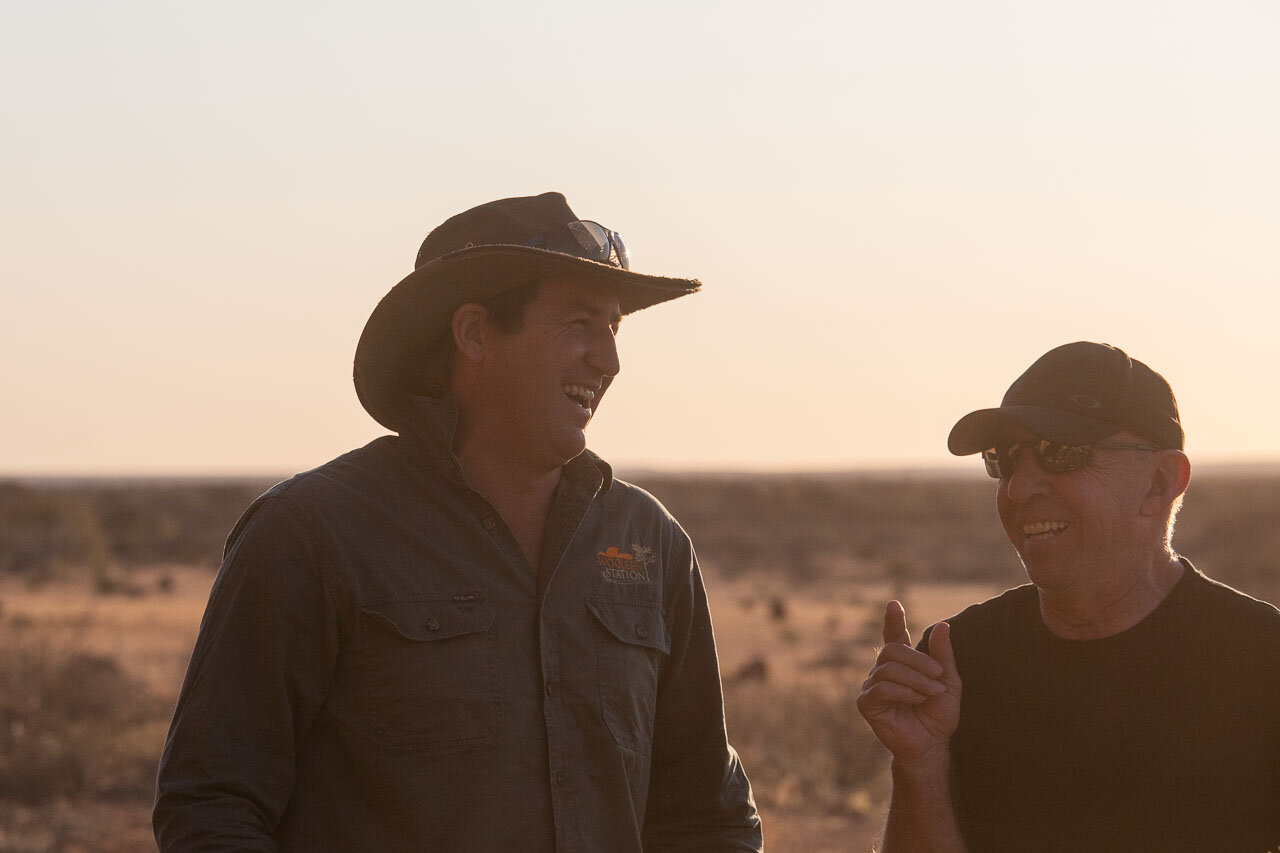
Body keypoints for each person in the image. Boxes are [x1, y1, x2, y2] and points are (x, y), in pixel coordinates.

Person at [153, 192, 762, 852]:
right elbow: (211, 807)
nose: (609, 361)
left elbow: (705, 817)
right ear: (475, 333)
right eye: (581, 323)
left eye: (615, 328)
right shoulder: (308, 535)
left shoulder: (650, 544)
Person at [856, 341, 1280, 853]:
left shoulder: (1260, 661)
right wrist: (919, 765)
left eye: (1063, 452)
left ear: (1159, 482)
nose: (1019, 487)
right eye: (1006, 459)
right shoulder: (958, 660)